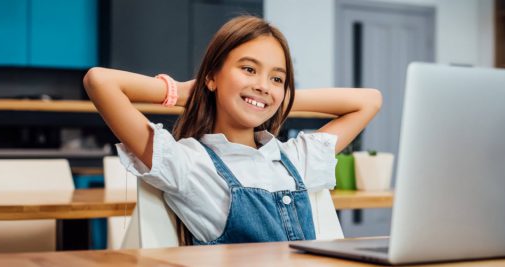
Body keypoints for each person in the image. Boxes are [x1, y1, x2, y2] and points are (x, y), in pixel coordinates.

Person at [83, 15, 381, 245]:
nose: (263, 84)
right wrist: (193, 91)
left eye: (277, 78)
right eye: (249, 70)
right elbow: (100, 82)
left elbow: (369, 101)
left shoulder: (294, 159)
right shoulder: (187, 164)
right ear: (212, 76)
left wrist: (273, 98)